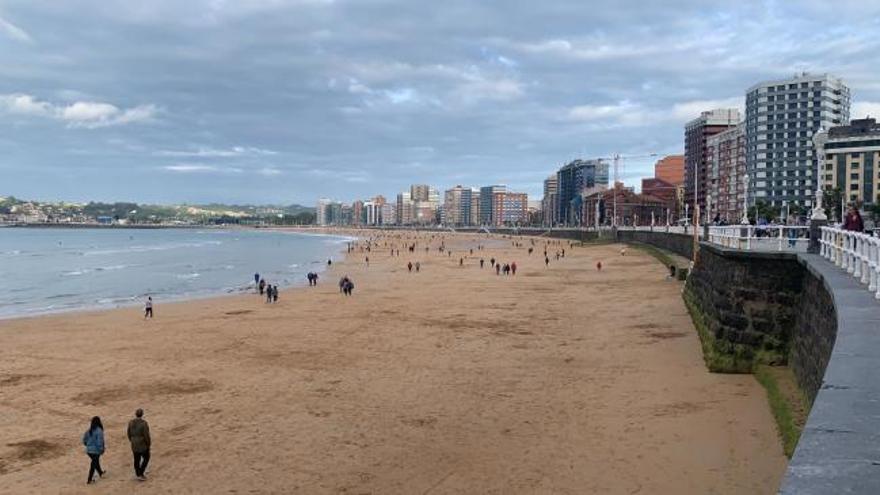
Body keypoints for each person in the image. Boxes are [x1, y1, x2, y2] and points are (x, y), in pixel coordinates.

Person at [127, 409, 151, 481]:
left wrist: (132, 440)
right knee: (146, 458)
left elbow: (128, 433)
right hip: (142, 444)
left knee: (136, 459)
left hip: (134, 444)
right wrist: (148, 444)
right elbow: (146, 435)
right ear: (142, 414)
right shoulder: (144, 423)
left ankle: (138, 473)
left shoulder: (131, 422)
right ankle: (141, 473)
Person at [82, 416, 106, 484]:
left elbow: (84, 440)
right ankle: (89, 480)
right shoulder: (99, 431)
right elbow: (100, 441)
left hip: (89, 451)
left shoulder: (89, 430)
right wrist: (101, 449)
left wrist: (88, 445)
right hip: (96, 451)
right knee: (93, 464)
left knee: (95, 462)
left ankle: (100, 473)